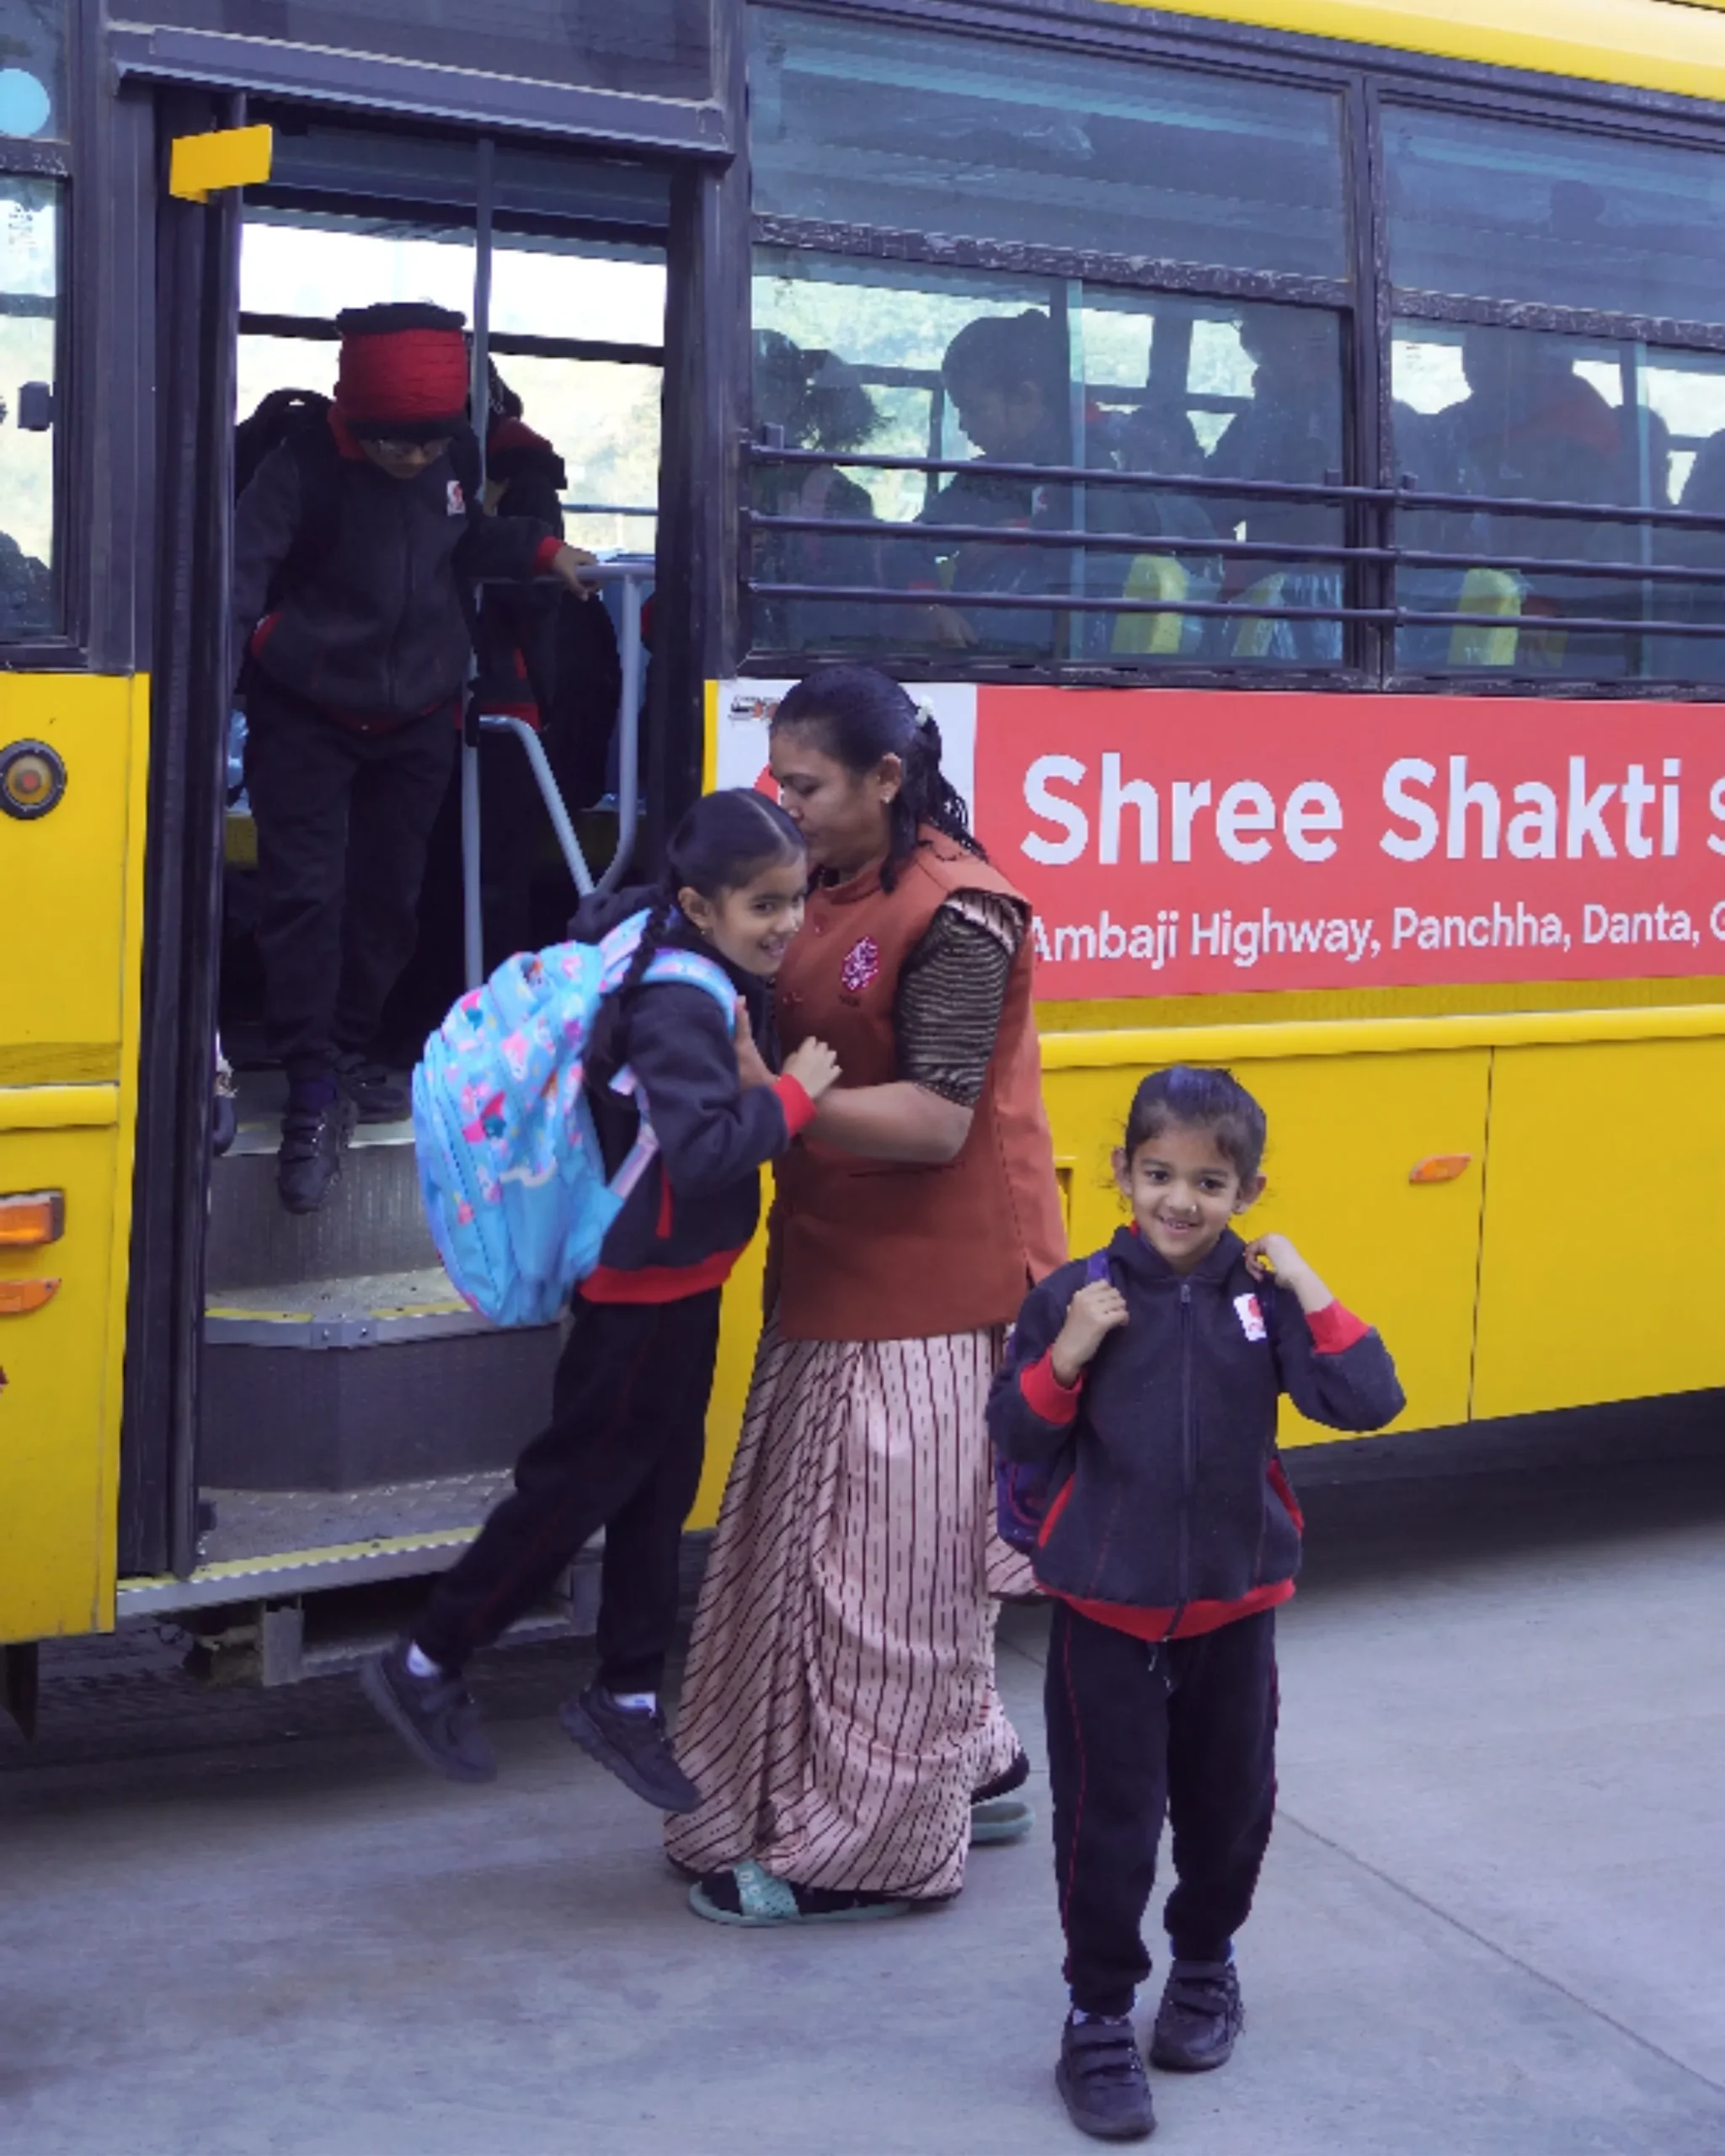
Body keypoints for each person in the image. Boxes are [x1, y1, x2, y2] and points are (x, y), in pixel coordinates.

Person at [666, 663, 1068, 1924]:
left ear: (887, 781)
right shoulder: (831, 883)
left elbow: (940, 1122)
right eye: (774, 779)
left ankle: (870, 1857)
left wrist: (775, 1098)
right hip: (836, 1274)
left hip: (930, 1299)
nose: (779, 805)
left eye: (806, 785)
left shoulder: (959, 912)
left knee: (881, 1594)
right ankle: (981, 1768)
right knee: (820, 1565)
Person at [362, 787, 841, 1806]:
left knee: (658, 1490)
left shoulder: (673, 953)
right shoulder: (680, 999)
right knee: (577, 1484)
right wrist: (795, 1092)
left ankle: (625, 1696)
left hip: (679, 1278)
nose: (786, 924)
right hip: (640, 1286)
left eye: (795, 899)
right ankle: (425, 1658)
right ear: (700, 907)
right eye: (763, 905)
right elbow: (707, 1152)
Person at [987, 1066, 1404, 2142]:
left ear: (1247, 1190)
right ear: (1122, 1171)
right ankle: (1094, 2017)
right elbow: (1017, 1431)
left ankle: (1206, 1968)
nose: (1179, 1201)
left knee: (1228, 1813)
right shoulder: (1074, 1293)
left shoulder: (1260, 1300)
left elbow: (1366, 1398)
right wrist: (1071, 1350)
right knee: (1103, 1827)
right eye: (1159, 1174)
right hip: (1103, 1614)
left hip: (1232, 1607)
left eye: (1209, 1182)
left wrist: (1309, 1285)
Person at [231, 303, 598, 1213]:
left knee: (392, 895)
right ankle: (312, 1084)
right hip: (305, 709)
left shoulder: (455, 460)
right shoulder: (298, 468)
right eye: (394, 444)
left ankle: (351, 1047)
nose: (414, 461)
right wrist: (214, 703)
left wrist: (541, 549)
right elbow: (233, 581)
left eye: (430, 445)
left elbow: (460, 539)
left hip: (420, 714)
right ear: (354, 419)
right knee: (304, 895)